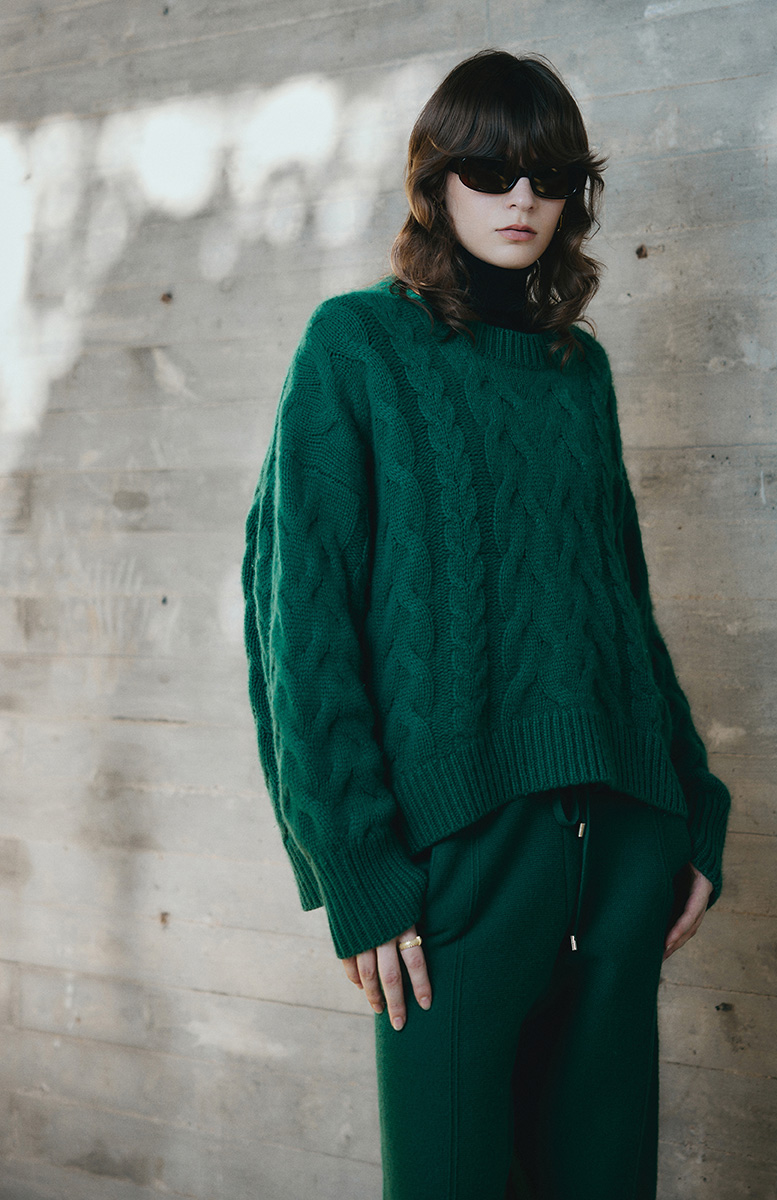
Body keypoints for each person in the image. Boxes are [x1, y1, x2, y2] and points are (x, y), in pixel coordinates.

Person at [242, 48, 730, 1200]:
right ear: (435, 183)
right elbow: (299, 626)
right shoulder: (356, 346)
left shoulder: (577, 369)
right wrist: (356, 868)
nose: (522, 199)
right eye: (491, 171)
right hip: (459, 856)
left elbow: (619, 604)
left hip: (624, 845)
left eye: (549, 177)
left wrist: (694, 808)